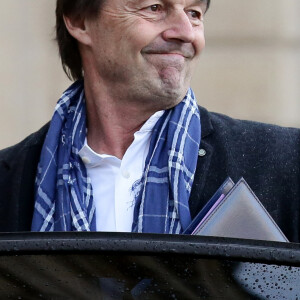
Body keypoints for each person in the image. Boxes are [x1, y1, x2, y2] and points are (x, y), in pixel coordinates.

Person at [0, 0, 299, 241]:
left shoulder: (284, 163)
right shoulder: (9, 183)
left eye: (194, 13)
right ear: (80, 21)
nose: (185, 32)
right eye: (154, 8)